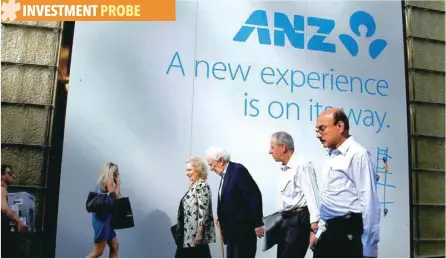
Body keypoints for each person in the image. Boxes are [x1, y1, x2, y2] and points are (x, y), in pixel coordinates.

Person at [312, 108, 380, 258]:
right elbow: (328, 199)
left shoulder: (358, 155)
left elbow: (369, 203)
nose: (318, 135)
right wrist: (320, 232)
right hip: (328, 233)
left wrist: (370, 250)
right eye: (316, 130)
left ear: (340, 127)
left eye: (322, 129)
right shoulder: (330, 156)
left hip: (347, 234)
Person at [268, 131, 320, 258]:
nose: (270, 151)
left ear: (283, 147)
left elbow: (313, 198)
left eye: (272, 147)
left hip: (298, 220)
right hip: (286, 221)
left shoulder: (302, 165)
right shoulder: (285, 168)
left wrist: (314, 230)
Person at [205, 146, 264, 258]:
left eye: (211, 164)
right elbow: (230, 201)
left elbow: (253, 196)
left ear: (221, 161)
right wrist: (221, 217)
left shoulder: (237, 170)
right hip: (232, 235)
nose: (211, 168)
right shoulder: (225, 176)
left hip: (242, 234)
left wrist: (258, 223)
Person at [174, 157, 216, 258]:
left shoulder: (202, 186)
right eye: (186, 170)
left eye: (189, 170)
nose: (186, 173)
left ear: (198, 170)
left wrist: (200, 234)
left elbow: (203, 211)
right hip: (187, 235)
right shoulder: (194, 186)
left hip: (195, 237)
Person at [87, 162, 121, 258]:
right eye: (117, 172)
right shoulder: (108, 182)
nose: (118, 175)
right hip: (103, 221)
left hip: (104, 219)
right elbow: (115, 199)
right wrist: (118, 184)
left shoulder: (101, 182)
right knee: (98, 252)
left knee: (114, 246)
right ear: (112, 173)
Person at [1, 164, 27, 258]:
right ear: (1, 175)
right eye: (9, 173)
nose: (13, 175)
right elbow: (3, 209)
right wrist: (19, 222)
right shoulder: (1, 189)